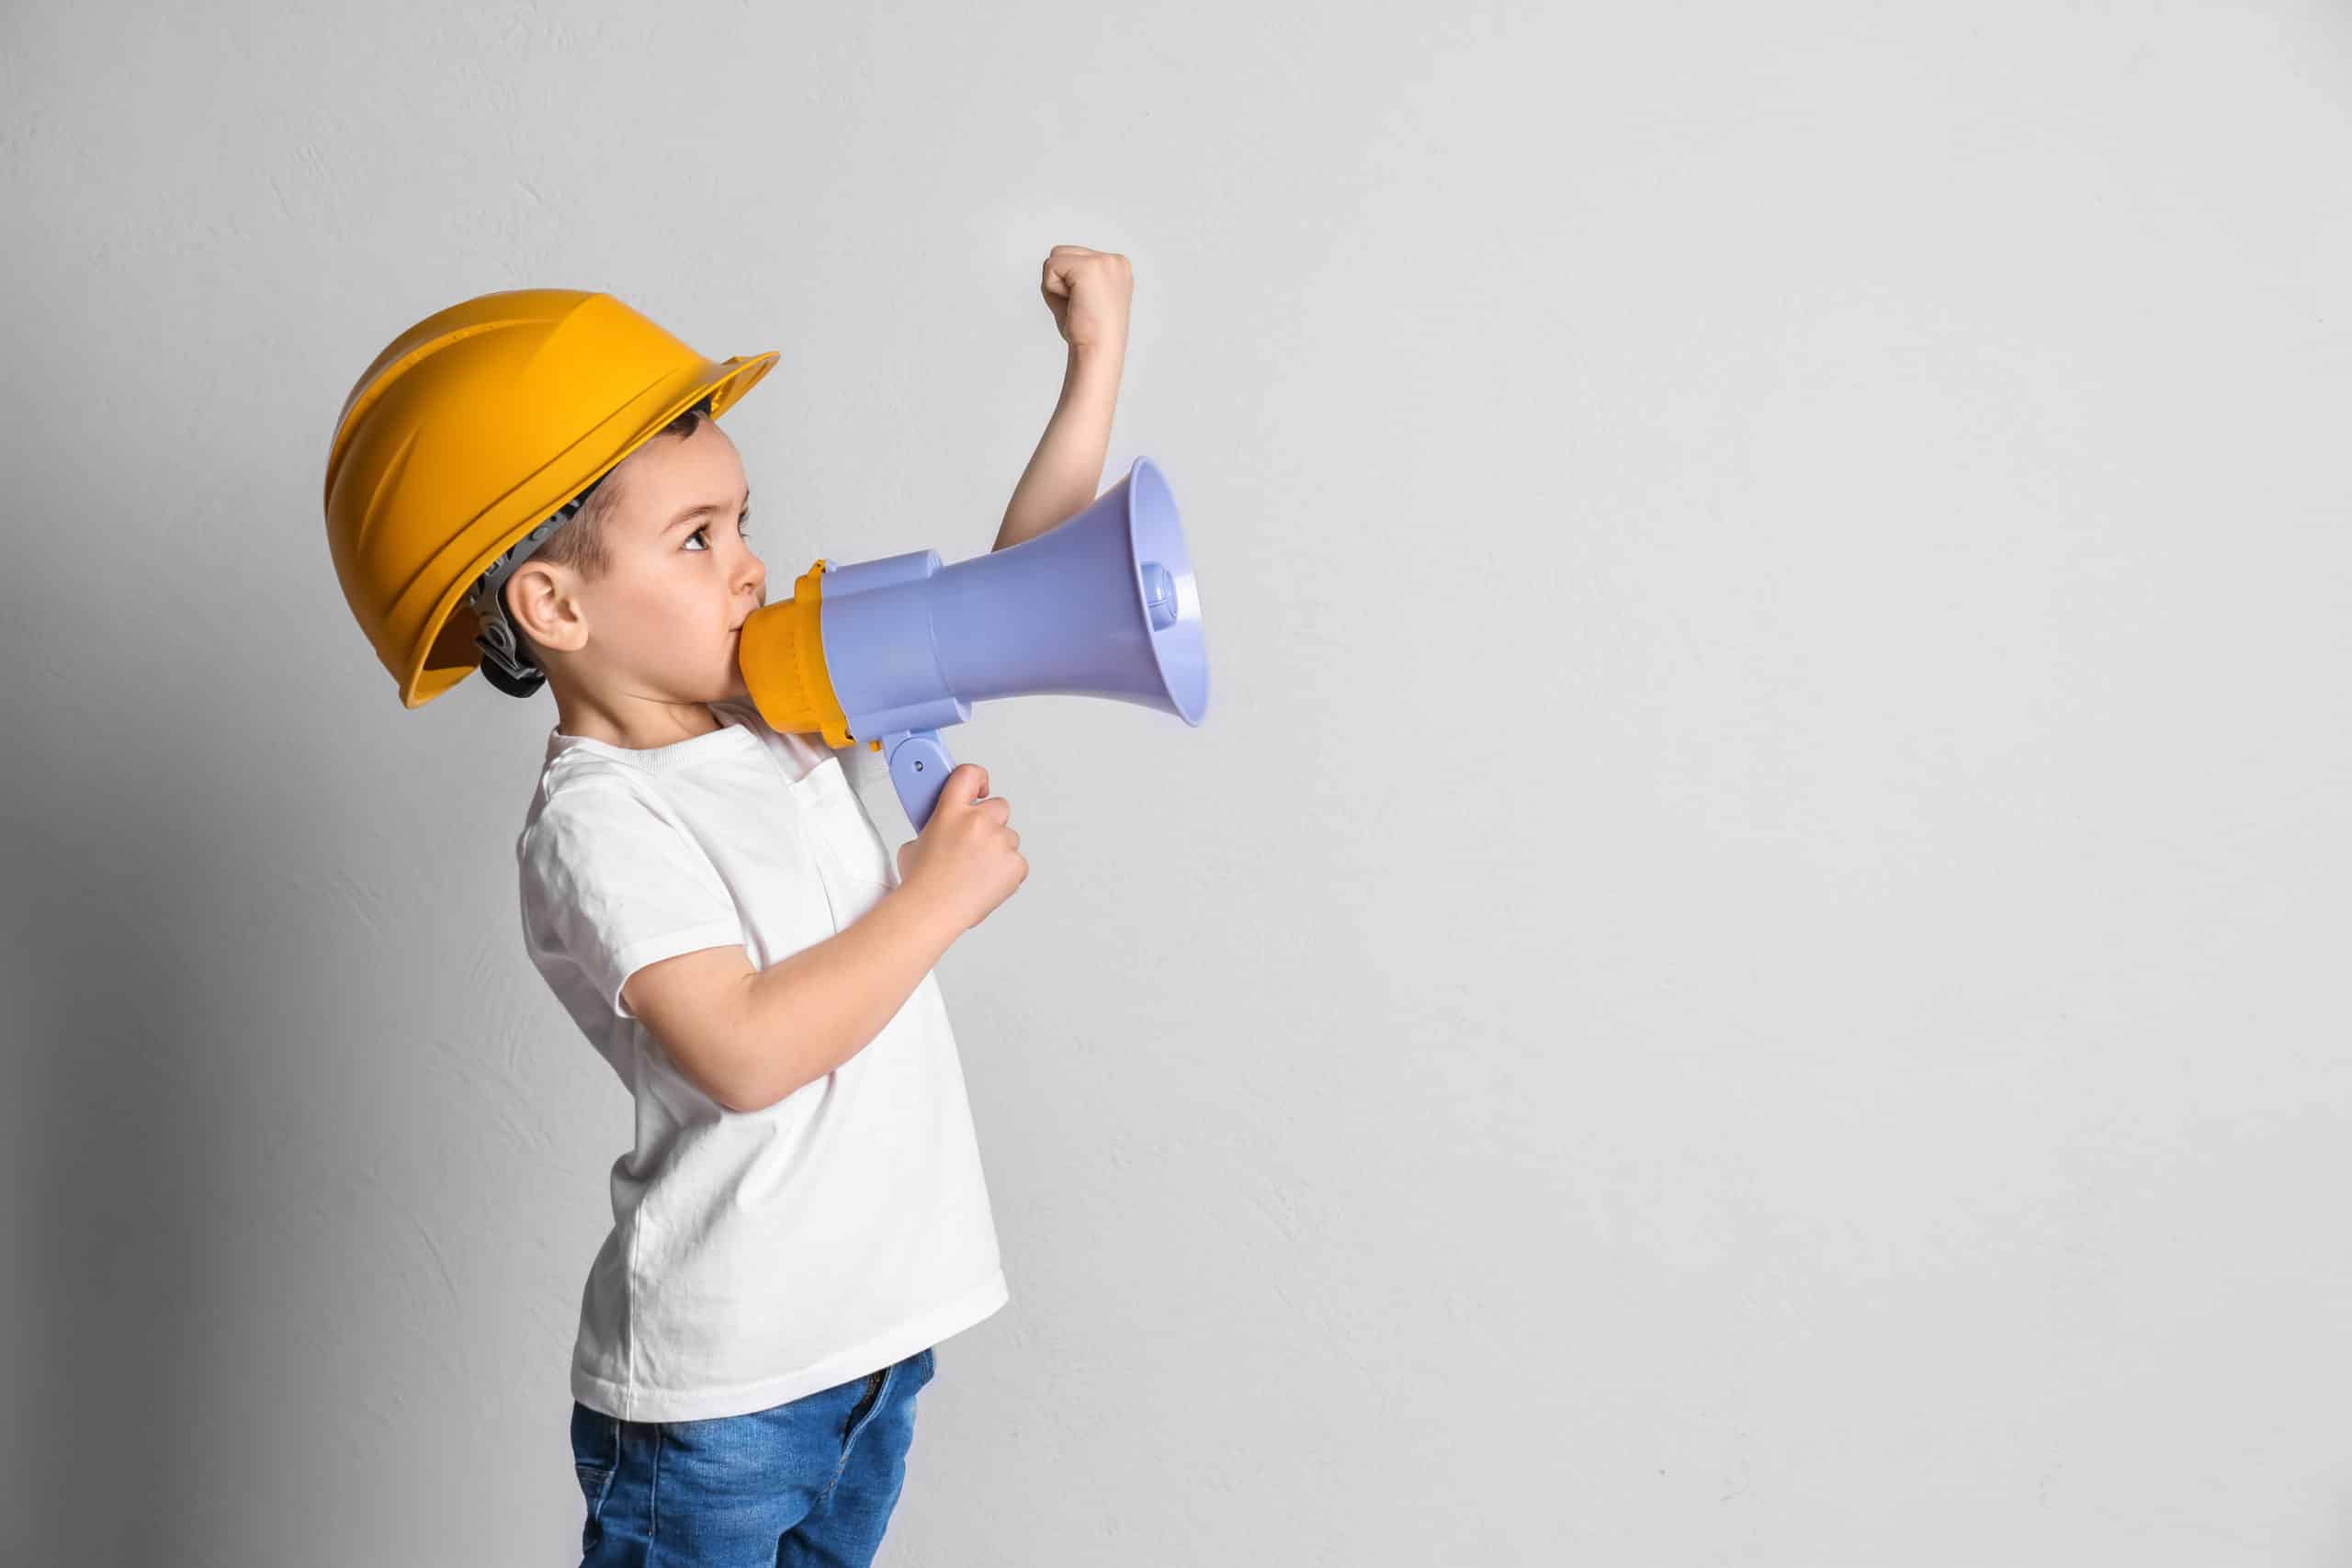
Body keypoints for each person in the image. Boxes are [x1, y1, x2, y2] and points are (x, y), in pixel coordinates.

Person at [321, 248, 1135, 1565]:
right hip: (727, 1393)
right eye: (698, 539)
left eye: (742, 521)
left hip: (872, 1346)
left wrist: (1090, 366)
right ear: (554, 602)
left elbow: (1015, 609)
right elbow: (743, 1049)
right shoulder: (602, 820)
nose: (749, 566)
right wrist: (931, 903)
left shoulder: (774, 702)